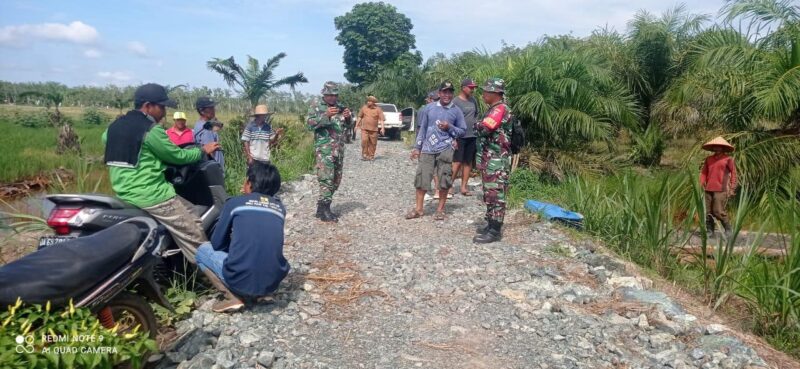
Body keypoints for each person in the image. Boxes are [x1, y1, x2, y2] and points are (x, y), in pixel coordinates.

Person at [102, 83, 219, 263]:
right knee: (194, 230)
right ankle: (218, 277)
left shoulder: (114, 127)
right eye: (162, 107)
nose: (164, 112)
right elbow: (177, 156)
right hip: (152, 194)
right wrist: (202, 150)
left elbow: (107, 141)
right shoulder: (152, 129)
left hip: (123, 192)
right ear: (148, 106)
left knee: (189, 218)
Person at [196, 161, 290, 313]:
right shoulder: (279, 208)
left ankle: (231, 297)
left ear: (249, 182)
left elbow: (217, 243)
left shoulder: (235, 203)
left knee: (201, 250)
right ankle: (264, 294)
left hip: (239, 280)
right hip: (273, 281)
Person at [406, 81, 466, 221]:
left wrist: (450, 127)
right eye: (444, 92)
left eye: (450, 92)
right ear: (439, 94)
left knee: (444, 179)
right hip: (427, 148)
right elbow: (422, 129)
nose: (447, 95)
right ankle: (419, 209)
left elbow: (462, 131)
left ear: (452, 94)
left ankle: (440, 210)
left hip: (446, 149)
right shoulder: (429, 108)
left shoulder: (456, 110)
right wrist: (417, 147)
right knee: (422, 178)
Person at [473, 78, 513, 244]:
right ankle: (490, 225)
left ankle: (495, 231)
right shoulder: (494, 108)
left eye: (486, 91)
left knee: (496, 195)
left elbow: (485, 128)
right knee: (489, 194)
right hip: (489, 159)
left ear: (496, 93)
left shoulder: (500, 109)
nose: (483, 94)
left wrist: (476, 124)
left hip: (497, 160)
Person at [306, 81, 350, 222]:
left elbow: (346, 126)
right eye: (329, 95)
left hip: (338, 149)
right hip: (324, 149)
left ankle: (320, 209)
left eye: (335, 95)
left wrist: (348, 118)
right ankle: (325, 210)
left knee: (336, 180)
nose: (332, 98)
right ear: (324, 94)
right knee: (326, 179)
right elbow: (309, 124)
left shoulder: (340, 107)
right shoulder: (316, 106)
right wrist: (326, 116)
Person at [700, 136, 737, 238]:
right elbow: (704, 172)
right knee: (708, 212)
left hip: (721, 189)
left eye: (720, 147)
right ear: (713, 148)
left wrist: (732, 187)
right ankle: (710, 231)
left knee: (717, 211)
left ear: (723, 148)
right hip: (708, 188)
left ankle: (728, 228)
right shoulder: (709, 159)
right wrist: (702, 182)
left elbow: (733, 173)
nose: (717, 148)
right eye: (716, 146)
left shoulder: (728, 159)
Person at [452, 78, 480, 196]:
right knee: (457, 162)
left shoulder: (473, 100)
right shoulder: (455, 102)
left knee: (468, 162)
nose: (472, 90)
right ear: (463, 88)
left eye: (473, 87)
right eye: (471, 87)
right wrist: (453, 137)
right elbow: (451, 119)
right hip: (459, 136)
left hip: (472, 136)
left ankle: (464, 187)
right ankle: (449, 186)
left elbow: (477, 114)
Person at [193, 96, 225, 171]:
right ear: (202, 111)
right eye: (210, 108)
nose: (214, 110)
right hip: (214, 169)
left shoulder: (199, 124)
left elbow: (219, 126)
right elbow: (210, 151)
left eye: (213, 107)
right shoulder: (207, 129)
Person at [356, 96, 386, 161]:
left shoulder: (378, 109)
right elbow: (359, 117)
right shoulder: (364, 108)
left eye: (369, 101)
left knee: (373, 143)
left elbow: (382, 119)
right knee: (364, 141)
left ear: (373, 102)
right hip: (364, 129)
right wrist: (356, 126)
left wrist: (382, 128)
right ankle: (365, 155)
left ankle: (371, 156)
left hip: (374, 130)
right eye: (368, 101)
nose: (368, 102)